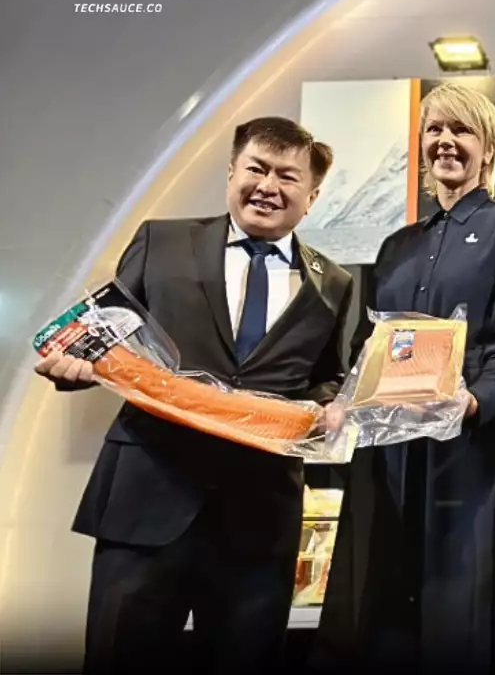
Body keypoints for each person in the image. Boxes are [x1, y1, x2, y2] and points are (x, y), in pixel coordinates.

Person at [34, 117, 354, 675]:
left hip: (258, 521)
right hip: (146, 502)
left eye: (287, 176)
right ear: (231, 172)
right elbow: (105, 332)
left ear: (312, 197)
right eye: (256, 169)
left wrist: (332, 405)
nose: (267, 186)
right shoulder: (161, 240)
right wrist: (70, 366)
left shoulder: (335, 282)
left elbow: (327, 376)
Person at [309, 82, 495, 674]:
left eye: (461, 130)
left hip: (468, 453)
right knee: (382, 620)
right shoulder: (395, 246)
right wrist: (344, 404)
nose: (445, 141)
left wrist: (476, 402)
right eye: (434, 129)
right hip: (389, 457)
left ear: (488, 149)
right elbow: (368, 351)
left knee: (460, 624)